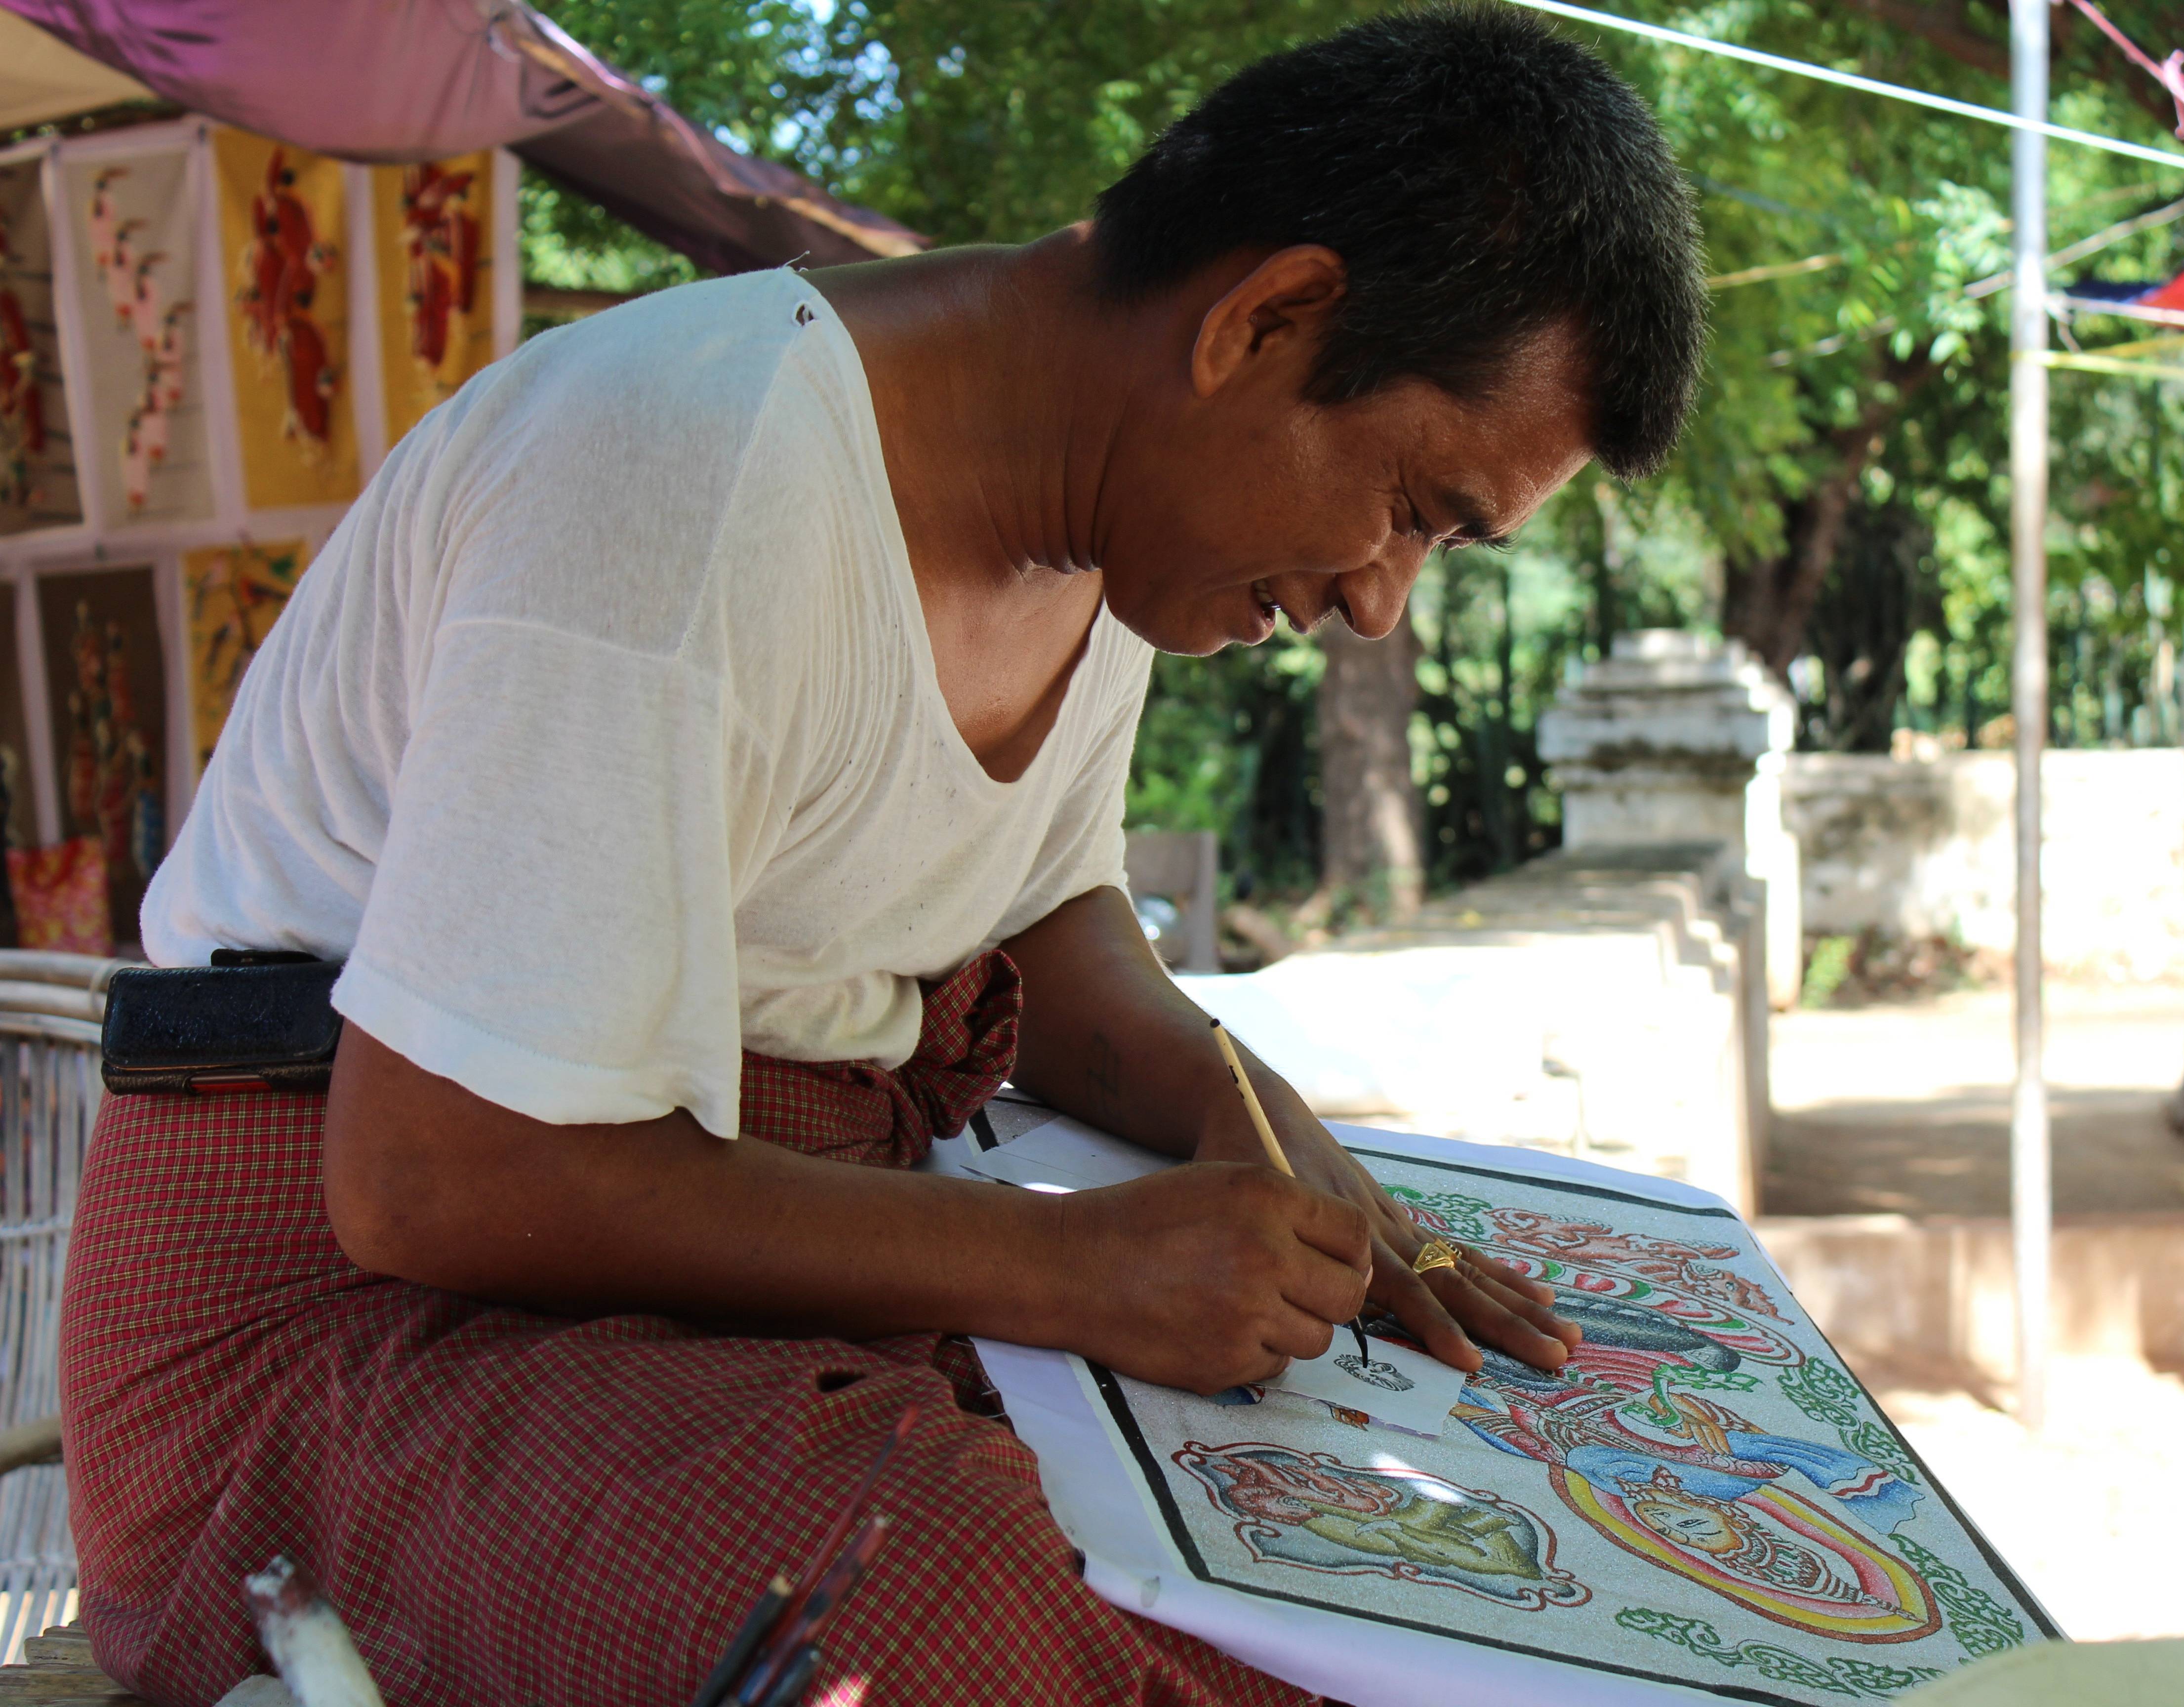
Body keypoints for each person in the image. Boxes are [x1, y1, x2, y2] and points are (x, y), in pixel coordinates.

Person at [59, 8, 1706, 1705]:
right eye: (1413, 510)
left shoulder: (1117, 528)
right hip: (322, 1338)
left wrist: (1306, 1173)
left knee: (1339, 1579)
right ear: (1263, 323)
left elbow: (1056, 948)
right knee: (901, 1620)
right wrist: (1072, 1266)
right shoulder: (680, 468)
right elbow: (439, 1181)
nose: (1380, 603)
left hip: (705, 1271)